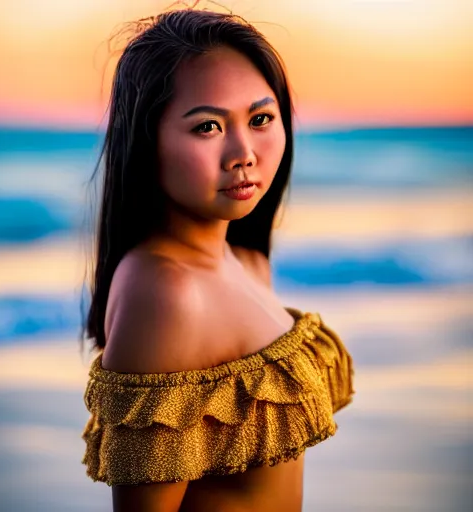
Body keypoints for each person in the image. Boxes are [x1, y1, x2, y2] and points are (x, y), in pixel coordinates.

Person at [81, 7, 354, 512]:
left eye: (261, 119)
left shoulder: (245, 261)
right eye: (207, 126)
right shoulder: (165, 292)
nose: (244, 152)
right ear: (147, 142)